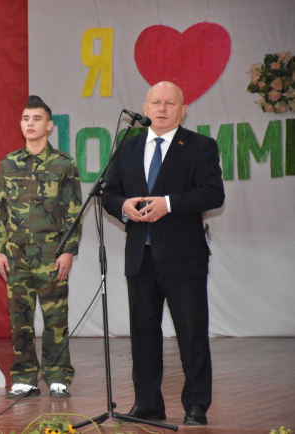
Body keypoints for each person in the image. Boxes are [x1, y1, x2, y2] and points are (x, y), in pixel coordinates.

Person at [101, 81, 225, 425]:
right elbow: (109, 193)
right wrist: (123, 206)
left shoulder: (200, 146)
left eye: (170, 103)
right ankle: (147, 404)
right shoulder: (128, 146)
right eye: (155, 102)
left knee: (191, 334)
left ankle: (196, 405)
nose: (161, 108)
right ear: (145, 108)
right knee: (143, 336)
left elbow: (213, 194)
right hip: (140, 258)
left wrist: (168, 204)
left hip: (183, 259)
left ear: (183, 110)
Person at [0, 95, 82, 398]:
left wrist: (68, 250)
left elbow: (73, 211)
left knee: (56, 318)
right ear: (21, 124)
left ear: (49, 126)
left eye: (37, 119)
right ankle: (24, 376)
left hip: (51, 254)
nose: (30, 124)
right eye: (26, 119)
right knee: (20, 319)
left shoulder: (64, 164)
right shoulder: (8, 164)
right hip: (16, 255)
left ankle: (58, 376)